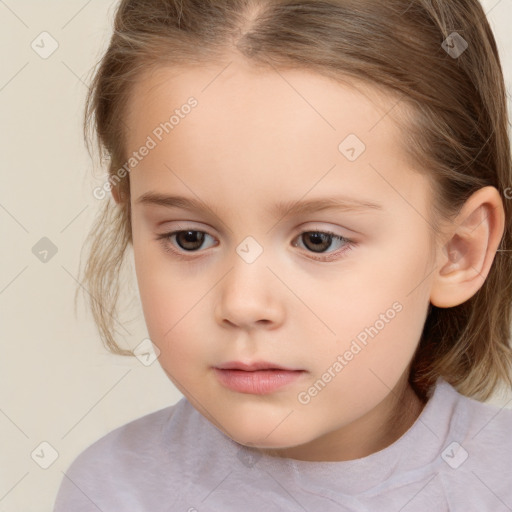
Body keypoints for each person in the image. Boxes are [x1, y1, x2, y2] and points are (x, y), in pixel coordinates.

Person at [54, 0, 512, 510]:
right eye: (190, 238)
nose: (244, 303)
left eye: (318, 240)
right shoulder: (111, 491)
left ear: (458, 249)